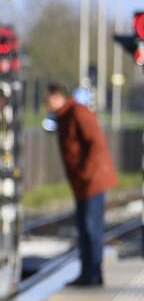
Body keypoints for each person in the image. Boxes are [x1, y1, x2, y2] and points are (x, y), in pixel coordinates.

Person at [46, 84, 118, 286]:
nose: (46, 104)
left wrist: (86, 172)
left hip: (91, 181)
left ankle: (93, 273)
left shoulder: (77, 112)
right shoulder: (64, 115)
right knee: (84, 227)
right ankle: (89, 272)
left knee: (91, 227)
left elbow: (96, 142)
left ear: (57, 96)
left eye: (48, 99)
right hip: (82, 183)